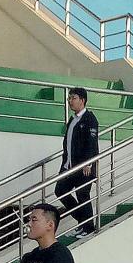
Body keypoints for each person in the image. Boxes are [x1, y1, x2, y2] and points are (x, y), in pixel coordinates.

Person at [55, 87, 99, 236]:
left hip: (84, 166)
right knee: (60, 191)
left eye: (73, 98)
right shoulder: (73, 119)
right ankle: (82, 220)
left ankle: (88, 227)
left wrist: (89, 163)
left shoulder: (89, 119)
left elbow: (91, 143)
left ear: (82, 100)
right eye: (69, 98)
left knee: (82, 194)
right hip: (69, 166)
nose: (70, 101)